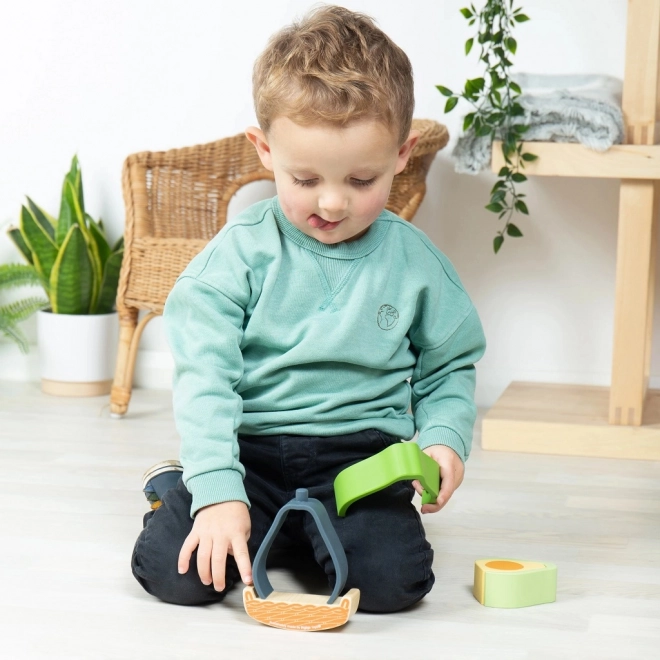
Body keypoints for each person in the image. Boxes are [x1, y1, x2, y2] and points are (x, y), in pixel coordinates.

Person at [131, 4, 486, 614]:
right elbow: (206, 377)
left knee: (392, 586)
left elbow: (449, 365)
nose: (332, 201)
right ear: (263, 149)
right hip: (249, 454)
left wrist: (445, 438)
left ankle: (303, 535)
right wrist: (217, 491)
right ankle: (179, 486)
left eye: (360, 179)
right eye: (304, 179)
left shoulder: (415, 262)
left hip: (361, 461)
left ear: (402, 155)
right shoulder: (237, 257)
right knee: (175, 574)